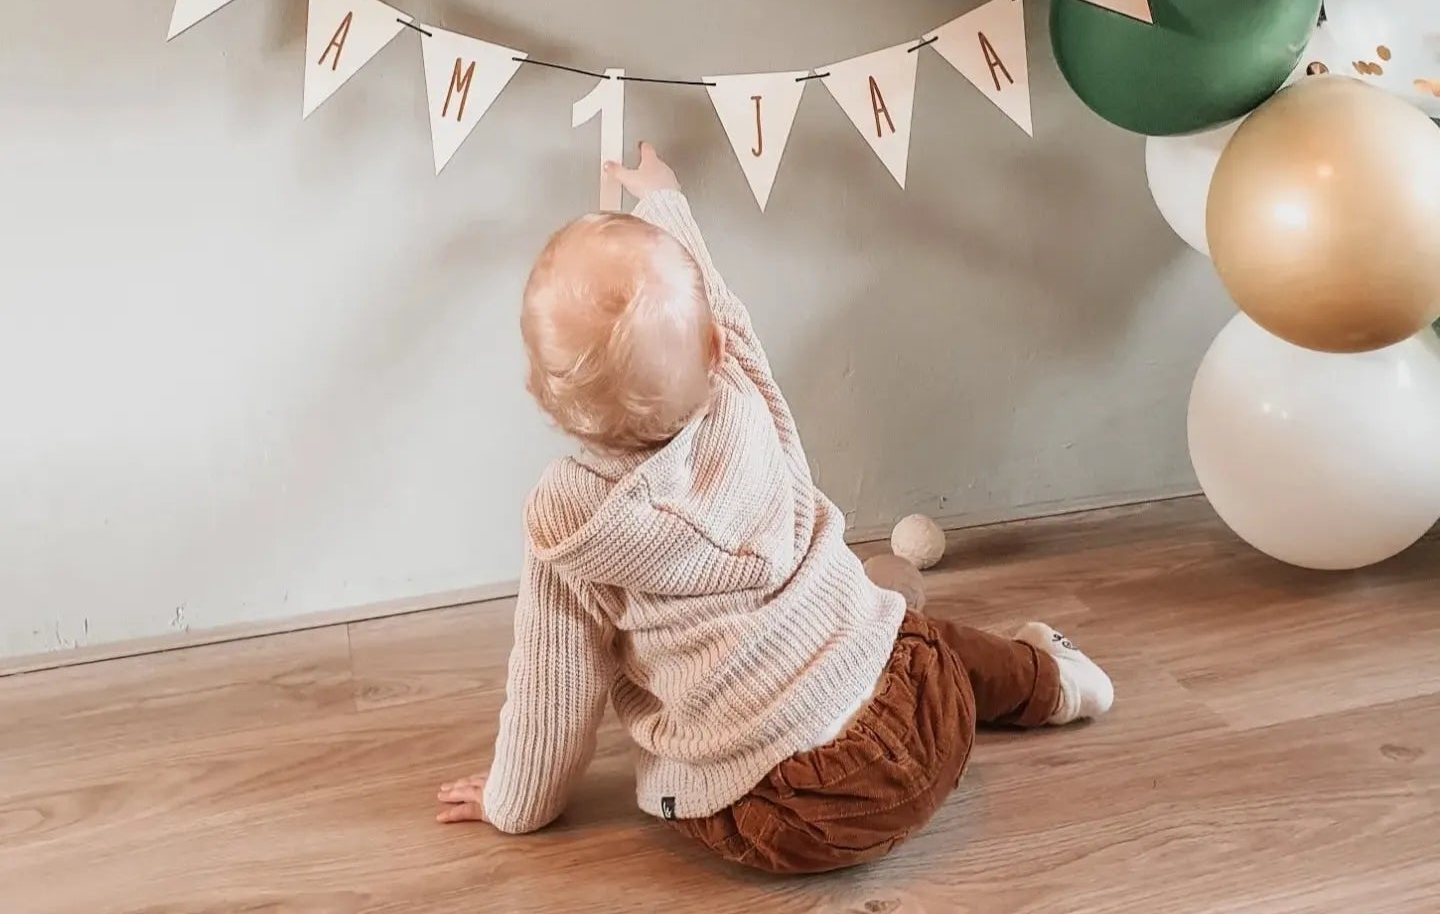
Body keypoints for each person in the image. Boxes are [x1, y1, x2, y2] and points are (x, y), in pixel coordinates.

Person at [436, 145, 1113, 875]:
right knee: (908, 632)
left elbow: (553, 693)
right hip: (927, 712)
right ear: (717, 345)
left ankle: (1008, 674)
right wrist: (664, 202)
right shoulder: (743, 391)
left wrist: (514, 805)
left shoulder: (572, 531)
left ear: (546, 399)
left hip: (798, 814)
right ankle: (1049, 681)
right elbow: (717, 303)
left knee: (802, 694)